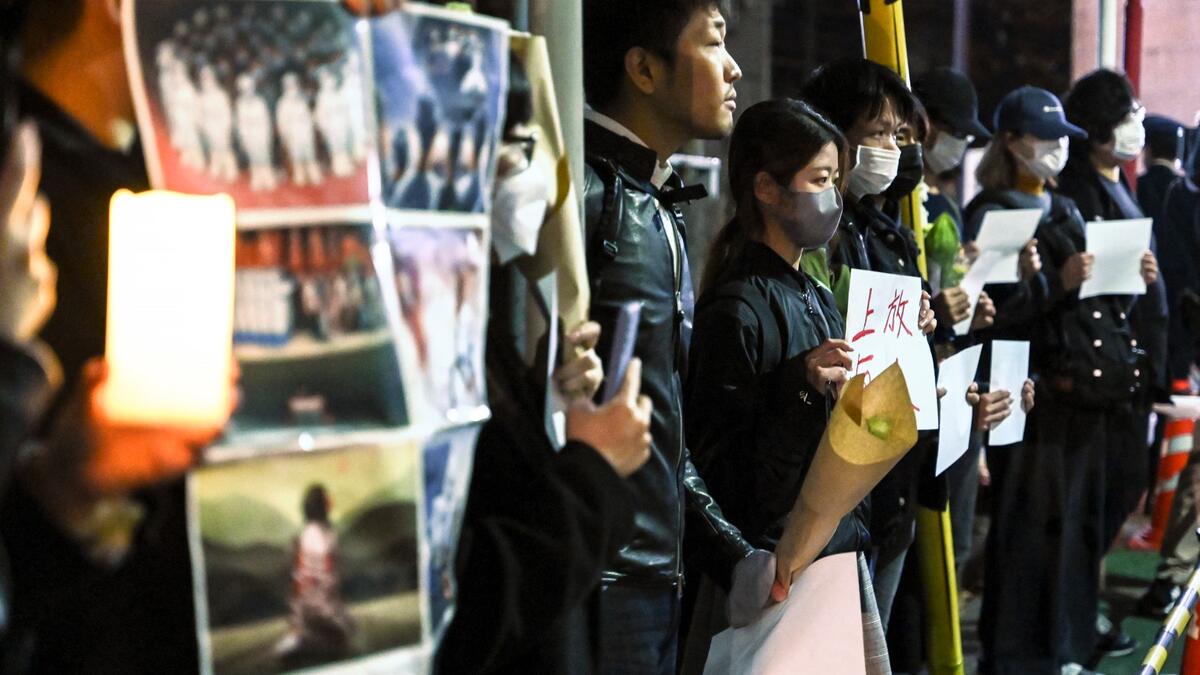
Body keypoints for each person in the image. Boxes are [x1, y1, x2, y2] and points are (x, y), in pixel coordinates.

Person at [438, 67, 653, 672]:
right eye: (509, 149)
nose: (531, 175)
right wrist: (594, 469)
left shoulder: (467, 312)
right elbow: (470, 601)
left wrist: (542, 396)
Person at [685, 97, 892, 673]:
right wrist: (799, 390)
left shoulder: (817, 294)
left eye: (837, 180)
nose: (833, 197)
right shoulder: (736, 307)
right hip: (772, 571)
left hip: (833, 555)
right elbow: (719, 466)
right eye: (820, 179)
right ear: (767, 189)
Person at [581, 1, 757, 671]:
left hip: (652, 570)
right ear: (644, 69)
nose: (735, 67)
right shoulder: (589, 199)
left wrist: (728, 548)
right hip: (603, 579)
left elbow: (660, 419)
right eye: (714, 43)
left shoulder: (649, 202)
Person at [965, 85, 1152, 675]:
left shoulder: (1061, 206)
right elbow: (986, 311)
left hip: (1077, 390)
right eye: (1044, 140)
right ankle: (1022, 656)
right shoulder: (992, 211)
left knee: (1073, 527)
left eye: (1061, 141)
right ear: (1013, 143)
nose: (1056, 152)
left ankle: (1066, 648)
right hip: (1027, 392)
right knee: (1030, 533)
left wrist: (1126, 274)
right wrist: (1057, 283)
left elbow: (1085, 297)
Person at [799, 56, 938, 629]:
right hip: (838, 482)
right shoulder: (817, 233)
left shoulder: (880, 229)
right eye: (878, 132)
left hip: (885, 471)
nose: (892, 148)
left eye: (897, 135)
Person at [1055, 71, 1166, 658]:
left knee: (1116, 494)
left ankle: (1083, 620)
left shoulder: (1116, 183)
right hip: (1095, 379)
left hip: (1125, 373)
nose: (1136, 124)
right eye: (1127, 113)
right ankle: (1075, 631)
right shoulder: (1075, 192)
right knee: (1088, 507)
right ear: (1096, 130)